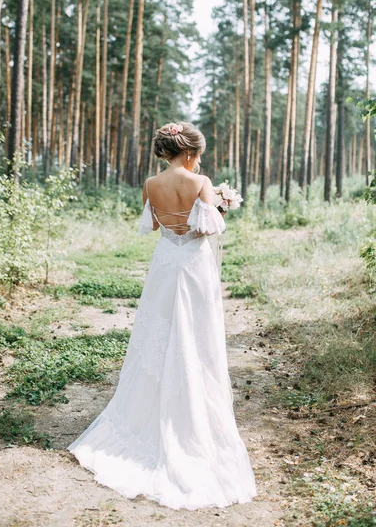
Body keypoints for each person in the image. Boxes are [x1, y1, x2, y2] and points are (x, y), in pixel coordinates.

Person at [67, 122, 257, 510]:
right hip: (194, 266)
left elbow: (154, 224)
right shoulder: (199, 180)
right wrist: (219, 204)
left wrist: (183, 215)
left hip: (165, 262)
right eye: (198, 154)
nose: (200, 160)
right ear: (188, 153)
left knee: (159, 331)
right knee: (195, 334)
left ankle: (152, 401)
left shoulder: (151, 184)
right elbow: (208, 230)